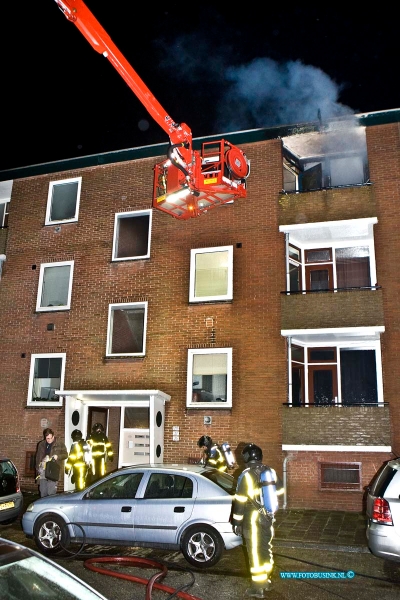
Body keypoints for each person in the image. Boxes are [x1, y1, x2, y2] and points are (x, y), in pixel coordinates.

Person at [231, 443, 284, 598]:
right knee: (265, 548)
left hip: (252, 519)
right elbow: (280, 491)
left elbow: (240, 501)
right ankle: (266, 580)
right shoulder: (270, 471)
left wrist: (236, 523)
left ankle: (257, 587)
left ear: (247, 457)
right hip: (268, 517)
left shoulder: (246, 475)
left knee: (254, 552)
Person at [35, 427, 68, 498]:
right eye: (47, 438)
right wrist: (38, 469)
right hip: (43, 470)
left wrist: (57, 456)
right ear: (45, 437)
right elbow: (37, 458)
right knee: (43, 492)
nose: (49, 440)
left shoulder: (60, 443)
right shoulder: (41, 444)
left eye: (51, 438)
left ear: (53, 436)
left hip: (53, 471)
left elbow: (65, 455)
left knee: (51, 493)